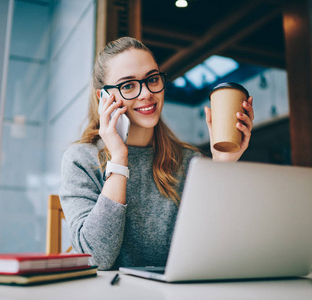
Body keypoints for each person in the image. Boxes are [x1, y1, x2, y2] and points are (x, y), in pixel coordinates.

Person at [59, 37, 254, 270]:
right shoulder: (81, 160)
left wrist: (222, 166)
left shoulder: (191, 162)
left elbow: (221, 251)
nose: (146, 94)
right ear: (104, 98)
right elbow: (95, 259)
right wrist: (119, 160)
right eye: (128, 85)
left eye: (152, 79)